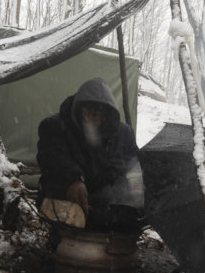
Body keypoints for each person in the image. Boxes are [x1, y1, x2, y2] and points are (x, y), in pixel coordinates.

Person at [36, 77, 144, 232]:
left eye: (102, 116)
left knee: (128, 213)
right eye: (92, 114)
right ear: (79, 109)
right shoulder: (55, 126)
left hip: (105, 201)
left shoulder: (123, 133)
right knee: (67, 210)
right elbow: (52, 158)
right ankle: (61, 237)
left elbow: (134, 166)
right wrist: (72, 179)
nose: (97, 121)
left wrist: (136, 195)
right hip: (68, 196)